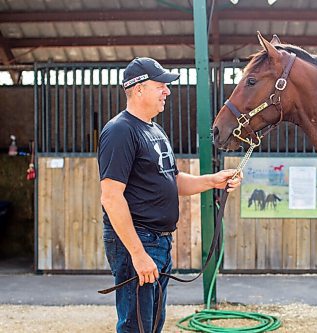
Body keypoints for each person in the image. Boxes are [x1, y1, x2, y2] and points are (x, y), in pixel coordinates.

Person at [98, 57, 242, 333]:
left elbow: (172, 180)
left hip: (159, 242)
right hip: (138, 241)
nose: (168, 91)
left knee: (152, 324)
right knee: (136, 326)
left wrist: (213, 181)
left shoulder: (154, 130)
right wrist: (138, 254)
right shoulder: (120, 131)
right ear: (138, 89)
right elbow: (111, 197)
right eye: (160, 85)